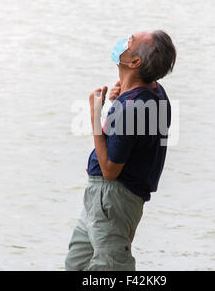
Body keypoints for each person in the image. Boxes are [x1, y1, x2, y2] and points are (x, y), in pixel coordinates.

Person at [65, 30, 177, 271]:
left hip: (111, 196)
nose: (123, 40)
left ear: (134, 62)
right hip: (108, 199)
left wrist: (95, 114)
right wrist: (121, 98)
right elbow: (137, 137)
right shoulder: (154, 94)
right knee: (77, 263)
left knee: (110, 268)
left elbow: (109, 170)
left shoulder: (132, 108)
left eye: (129, 41)